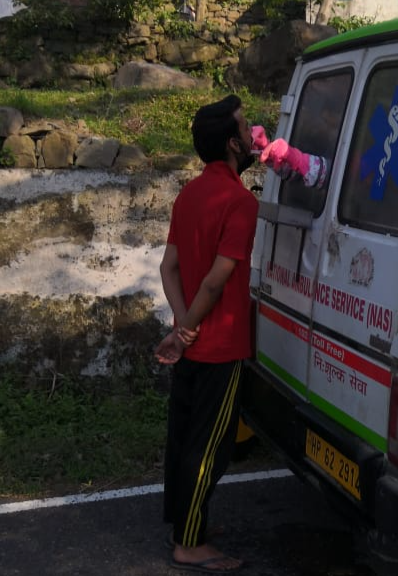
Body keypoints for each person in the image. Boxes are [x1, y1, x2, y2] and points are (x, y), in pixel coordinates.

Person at [154, 94, 259, 574]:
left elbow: (169, 267)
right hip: (219, 345)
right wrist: (190, 329)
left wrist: (180, 327)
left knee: (184, 435)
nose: (252, 130)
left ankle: (185, 521)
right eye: (244, 126)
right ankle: (188, 544)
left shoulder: (189, 194)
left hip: (194, 343)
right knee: (210, 446)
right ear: (232, 145)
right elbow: (217, 279)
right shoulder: (240, 202)